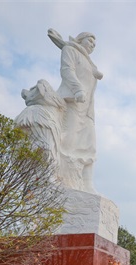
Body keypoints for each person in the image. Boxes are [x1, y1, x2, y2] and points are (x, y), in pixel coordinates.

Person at [48, 29, 104, 193]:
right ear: (81, 40)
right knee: (69, 140)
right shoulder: (70, 50)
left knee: (90, 144)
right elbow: (67, 71)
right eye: (90, 41)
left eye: (94, 44)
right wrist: (78, 89)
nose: (92, 45)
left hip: (87, 110)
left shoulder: (88, 62)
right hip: (74, 101)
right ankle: (60, 178)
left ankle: (86, 184)